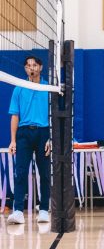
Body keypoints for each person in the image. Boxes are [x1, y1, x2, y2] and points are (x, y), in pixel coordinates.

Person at [7, 56, 51, 225]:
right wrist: (13, 140)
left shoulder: (48, 87)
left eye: (34, 65)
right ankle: (18, 211)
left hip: (43, 133)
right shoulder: (19, 88)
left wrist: (51, 138)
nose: (31, 68)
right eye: (28, 66)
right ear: (25, 69)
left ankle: (44, 209)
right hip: (24, 134)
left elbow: (53, 115)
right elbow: (15, 116)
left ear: (40, 67)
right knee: (21, 172)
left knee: (45, 173)